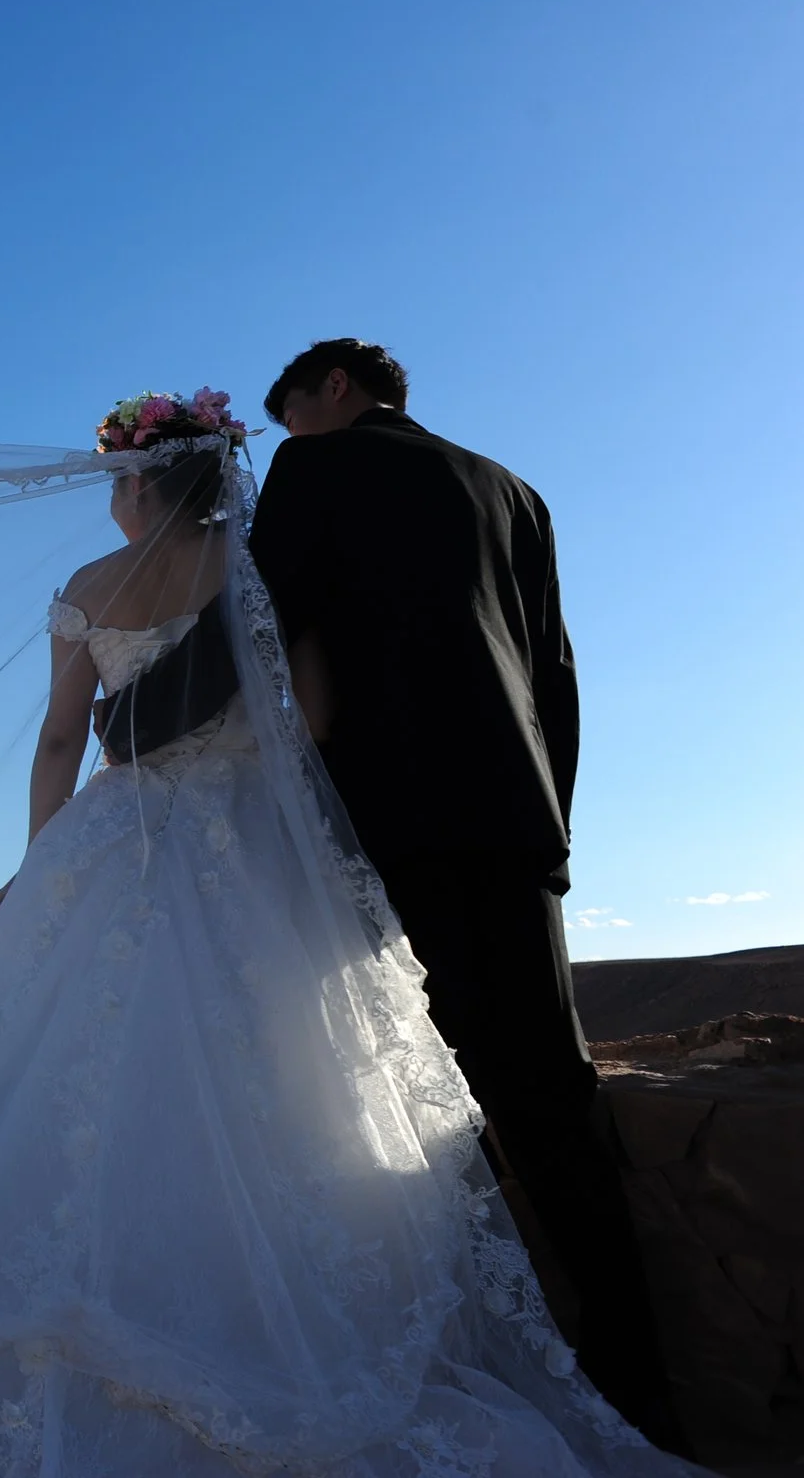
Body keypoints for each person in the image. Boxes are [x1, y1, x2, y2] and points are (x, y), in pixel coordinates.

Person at [0, 393, 696, 1476]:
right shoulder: (261, 573)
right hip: (253, 847)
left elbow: (57, 741)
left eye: (115, 482)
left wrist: (45, 861)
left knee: (80, 1083)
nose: (110, 499)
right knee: (282, 1078)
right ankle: (274, 1318)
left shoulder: (91, 591)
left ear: (141, 485)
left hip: (119, 838)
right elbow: (314, 720)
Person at [98, 340, 682, 1449]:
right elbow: (552, 669)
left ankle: (333, 1342)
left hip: (383, 826)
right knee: (544, 1093)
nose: (285, 444)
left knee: (293, 1063)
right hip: (509, 825)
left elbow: (252, 627)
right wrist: (548, 825)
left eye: (290, 418)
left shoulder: (324, 474)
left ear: (334, 388)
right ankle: (638, 1385)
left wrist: (131, 718)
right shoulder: (513, 488)